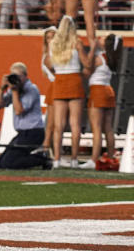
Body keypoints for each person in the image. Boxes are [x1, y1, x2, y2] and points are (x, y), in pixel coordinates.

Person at [43, 15, 95, 168]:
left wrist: (58, 71)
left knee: (58, 124)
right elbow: (87, 64)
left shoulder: (54, 45)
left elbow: (48, 64)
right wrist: (92, 51)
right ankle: (73, 159)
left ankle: (57, 159)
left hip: (59, 81)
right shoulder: (76, 43)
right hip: (74, 81)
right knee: (75, 124)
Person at [0, 62, 48, 169]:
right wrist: (2, 89)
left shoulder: (31, 89)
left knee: (9, 163)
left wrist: (14, 91)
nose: (16, 79)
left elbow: (19, 110)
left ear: (25, 76)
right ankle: (32, 158)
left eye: (18, 76)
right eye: (13, 76)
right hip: (22, 133)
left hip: (34, 133)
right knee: (0, 163)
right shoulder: (15, 90)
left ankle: (43, 159)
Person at [83, 34, 121, 170]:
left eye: (103, 38)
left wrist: (90, 49)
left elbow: (86, 70)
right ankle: (111, 157)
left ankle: (94, 160)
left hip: (98, 90)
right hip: (109, 91)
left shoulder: (99, 58)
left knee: (97, 128)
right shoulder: (111, 58)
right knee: (108, 128)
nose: (99, 38)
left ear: (106, 44)